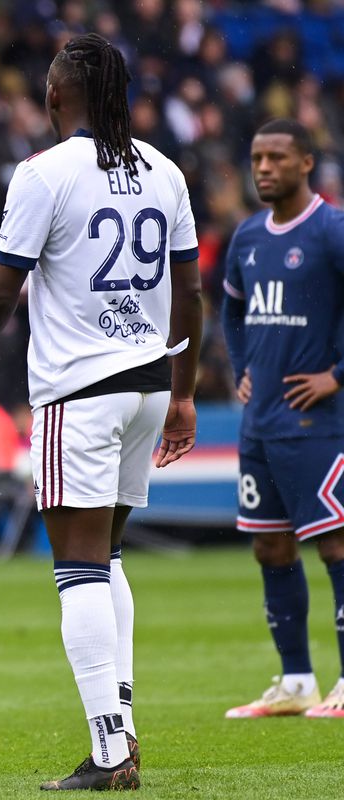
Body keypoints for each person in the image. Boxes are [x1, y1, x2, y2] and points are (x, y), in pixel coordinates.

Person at [0, 34, 202, 790]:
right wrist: (184, 391)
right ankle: (119, 734)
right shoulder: (164, 168)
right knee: (109, 558)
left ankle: (111, 752)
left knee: (78, 569)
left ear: (56, 97)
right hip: (151, 382)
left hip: (79, 390)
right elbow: (190, 294)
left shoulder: (43, 173)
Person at [221, 118, 344, 720]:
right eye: (256, 156)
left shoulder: (332, 230)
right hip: (261, 425)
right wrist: (242, 367)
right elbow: (232, 312)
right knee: (271, 546)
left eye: (276, 157)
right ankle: (297, 682)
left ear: (306, 163)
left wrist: (336, 376)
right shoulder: (247, 237)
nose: (263, 167)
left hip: (319, 424)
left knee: (335, 545)